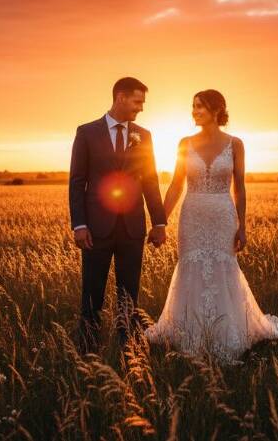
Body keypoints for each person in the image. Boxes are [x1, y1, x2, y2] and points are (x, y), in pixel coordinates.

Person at [144, 89, 278, 362]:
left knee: (224, 268)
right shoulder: (184, 143)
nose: (194, 111)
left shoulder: (235, 144)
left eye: (200, 106)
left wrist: (242, 226)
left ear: (216, 109)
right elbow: (176, 186)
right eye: (192, 106)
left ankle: (227, 334)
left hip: (223, 216)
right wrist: (159, 223)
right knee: (192, 267)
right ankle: (189, 334)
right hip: (192, 216)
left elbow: (240, 188)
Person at [69, 76, 167, 354]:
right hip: (96, 229)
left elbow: (150, 180)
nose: (141, 108)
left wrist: (159, 222)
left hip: (132, 229)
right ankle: (87, 351)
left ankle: (128, 350)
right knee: (92, 294)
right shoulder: (87, 132)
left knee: (128, 295)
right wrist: (79, 225)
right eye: (138, 101)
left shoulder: (143, 135)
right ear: (120, 97)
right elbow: (77, 181)